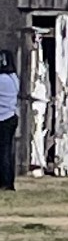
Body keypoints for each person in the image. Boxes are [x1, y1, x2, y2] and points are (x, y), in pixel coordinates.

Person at [0, 50, 18, 192]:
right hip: (11, 116)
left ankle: (5, 183)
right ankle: (8, 181)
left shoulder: (2, 80)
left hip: (2, 118)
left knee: (3, 152)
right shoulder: (13, 78)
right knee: (6, 151)